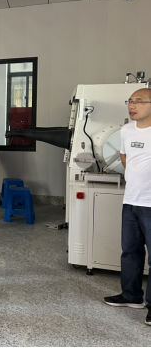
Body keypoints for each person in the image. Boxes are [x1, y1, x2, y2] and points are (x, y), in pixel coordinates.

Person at [104, 88, 151, 327]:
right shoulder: (126, 130)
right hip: (131, 200)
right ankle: (131, 296)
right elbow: (125, 157)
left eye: (139, 101)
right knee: (130, 252)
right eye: (130, 101)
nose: (132, 105)